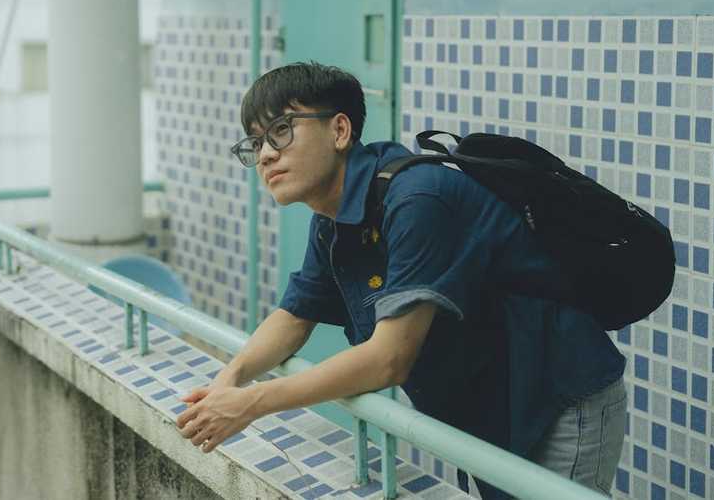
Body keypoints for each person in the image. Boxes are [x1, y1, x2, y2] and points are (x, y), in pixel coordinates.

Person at [175, 61, 627, 498]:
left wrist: (251, 404)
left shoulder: (418, 199)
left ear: (339, 130)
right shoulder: (333, 218)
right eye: (255, 143)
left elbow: (388, 361)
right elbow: (296, 314)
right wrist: (229, 379)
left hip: (557, 396)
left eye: (281, 131)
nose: (267, 153)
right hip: (491, 404)